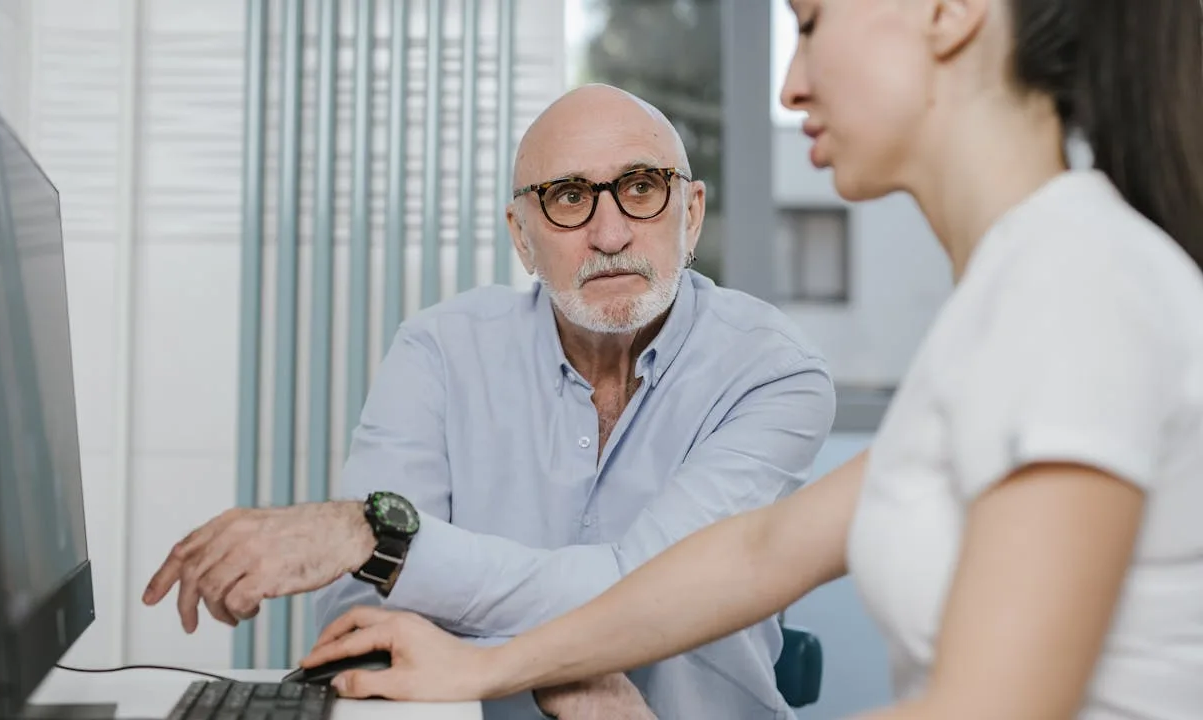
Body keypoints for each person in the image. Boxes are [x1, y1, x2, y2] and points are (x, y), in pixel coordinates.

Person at [297, 0, 1203, 717]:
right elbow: (758, 554)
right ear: (522, 235)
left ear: (948, 9)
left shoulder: (1079, 282)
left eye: (809, 23)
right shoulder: (1004, 303)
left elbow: (990, 707)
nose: (789, 86)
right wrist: (487, 666)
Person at [142, 84, 837, 719]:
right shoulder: (438, 350)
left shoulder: (773, 374)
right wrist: (570, 669)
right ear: (521, 236)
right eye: (568, 197)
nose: (610, 233)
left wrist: (380, 540)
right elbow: (361, 610)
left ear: (690, 213)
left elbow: (649, 589)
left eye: (641, 187)